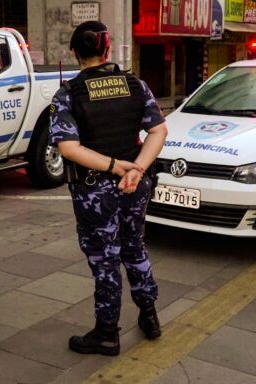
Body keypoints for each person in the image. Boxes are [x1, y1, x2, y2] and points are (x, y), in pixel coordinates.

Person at [50, 20, 168, 356]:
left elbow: (69, 149)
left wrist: (115, 168)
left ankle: (106, 333)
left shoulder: (69, 93)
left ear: (74, 53)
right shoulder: (136, 85)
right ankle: (150, 316)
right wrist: (137, 169)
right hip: (135, 184)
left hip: (94, 192)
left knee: (105, 260)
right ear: (108, 50)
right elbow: (158, 131)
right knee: (134, 248)